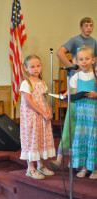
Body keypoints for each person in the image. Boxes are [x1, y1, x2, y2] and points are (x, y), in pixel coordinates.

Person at [50, 17, 97, 170]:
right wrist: (72, 66)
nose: (89, 28)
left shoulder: (94, 42)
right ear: (80, 27)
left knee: (88, 128)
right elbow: (60, 52)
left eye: (91, 25)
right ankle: (60, 158)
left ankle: (88, 163)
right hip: (76, 84)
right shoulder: (74, 40)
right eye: (86, 25)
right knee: (71, 122)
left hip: (91, 85)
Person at [19, 54, 56, 180]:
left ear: (42, 66)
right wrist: (42, 112)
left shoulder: (42, 83)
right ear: (26, 68)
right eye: (32, 66)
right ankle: (30, 168)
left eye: (38, 66)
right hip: (31, 117)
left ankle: (40, 165)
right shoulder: (26, 83)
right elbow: (29, 101)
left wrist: (49, 110)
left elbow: (44, 99)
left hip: (42, 117)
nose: (36, 69)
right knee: (32, 140)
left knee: (40, 140)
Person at [69, 46, 97, 179]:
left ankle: (95, 168)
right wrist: (68, 96)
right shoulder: (76, 76)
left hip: (94, 113)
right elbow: (74, 93)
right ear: (77, 61)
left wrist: (95, 95)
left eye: (87, 58)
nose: (84, 62)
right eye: (81, 59)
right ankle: (85, 167)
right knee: (83, 137)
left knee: (93, 138)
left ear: (93, 60)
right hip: (81, 112)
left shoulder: (96, 75)